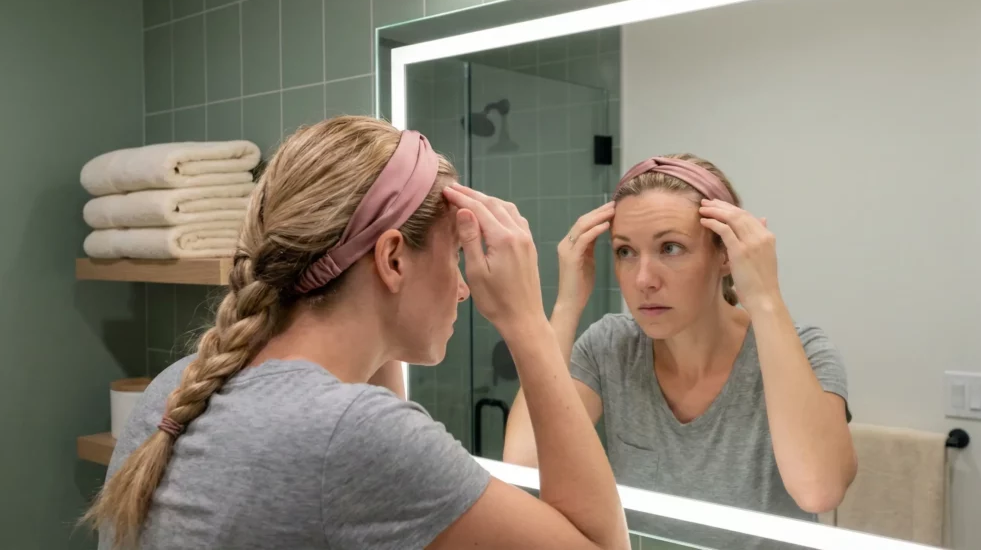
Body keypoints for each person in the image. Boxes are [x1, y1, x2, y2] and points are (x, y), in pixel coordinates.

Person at [82, 116, 629, 550]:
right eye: (456, 256)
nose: (464, 288)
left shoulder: (181, 385)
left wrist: (383, 317)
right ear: (392, 258)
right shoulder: (353, 435)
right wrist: (526, 322)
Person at [503, 153, 857, 546]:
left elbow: (819, 490)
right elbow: (523, 466)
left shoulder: (803, 350)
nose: (643, 279)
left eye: (670, 248)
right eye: (625, 251)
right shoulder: (611, 348)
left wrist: (766, 298)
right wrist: (567, 304)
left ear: (726, 254)